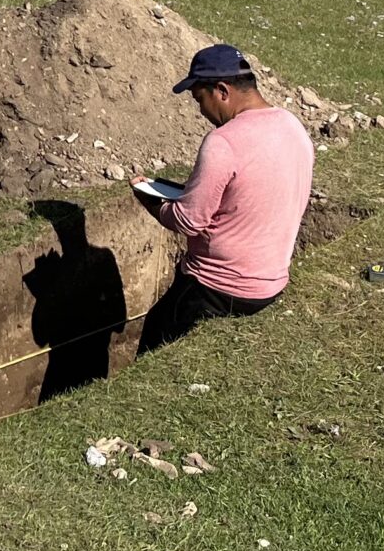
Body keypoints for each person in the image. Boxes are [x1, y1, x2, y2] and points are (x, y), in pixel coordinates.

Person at [133, 43, 313, 351]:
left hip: (217, 289)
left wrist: (150, 201)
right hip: (271, 282)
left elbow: (188, 221)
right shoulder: (292, 126)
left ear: (222, 90)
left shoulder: (223, 143)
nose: (202, 111)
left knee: (155, 336)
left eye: (200, 99)